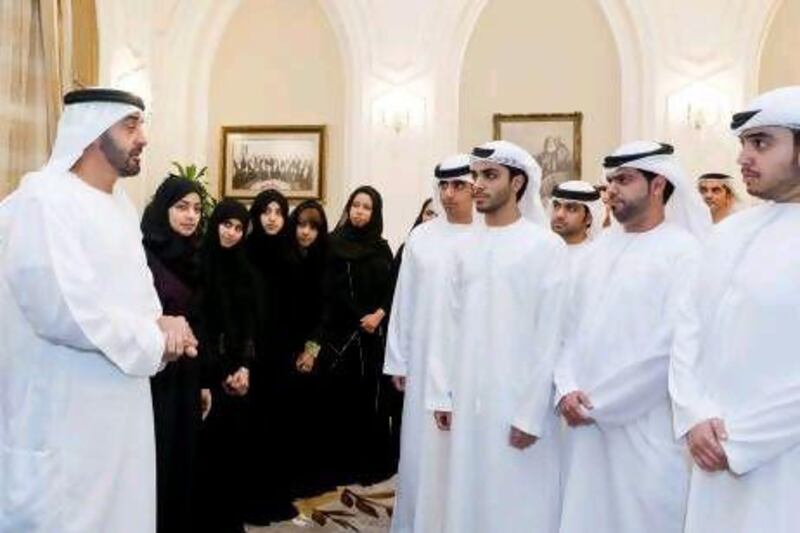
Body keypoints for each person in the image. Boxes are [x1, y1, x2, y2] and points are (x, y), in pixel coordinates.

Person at [0, 88, 197, 532]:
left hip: (120, 419)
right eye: (131, 126)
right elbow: (63, 312)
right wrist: (154, 339)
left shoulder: (119, 207)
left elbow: (141, 297)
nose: (143, 137)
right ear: (90, 133)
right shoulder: (43, 199)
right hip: (65, 420)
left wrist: (165, 324)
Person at [555, 141, 710, 533]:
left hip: (645, 428)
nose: (611, 191)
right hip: (581, 424)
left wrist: (599, 405)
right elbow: (567, 330)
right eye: (610, 181)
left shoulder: (685, 253)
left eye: (624, 180)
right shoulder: (597, 251)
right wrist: (566, 388)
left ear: (658, 185)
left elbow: (672, 349)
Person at [671, 86, 800, 533]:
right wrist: (693, 416)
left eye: (761, 143)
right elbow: (688, 329)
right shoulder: (727, 233)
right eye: (744, 144)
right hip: (711, 449)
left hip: (782, 460)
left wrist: (742, 440)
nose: (744, 156)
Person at [432, 141, 568, 533]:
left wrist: (531, 411)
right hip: (469, 398)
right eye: (475, 175)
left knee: (520, 501)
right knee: (468, 496)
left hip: (520, 403)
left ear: (518, 183)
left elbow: (551, 335)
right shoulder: (464, 247)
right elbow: (451, 325)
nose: (477, 184)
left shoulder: (544, 247)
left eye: (490, 176)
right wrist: (444, 392)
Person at [384, 155, 476, 533]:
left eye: (459, 186)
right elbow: (403, 301)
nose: (449, 194)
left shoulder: (489, 237)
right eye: (444, 186)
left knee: (465, 457)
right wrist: (398, 361)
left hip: (471, 365)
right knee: (424, 454)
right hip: (423, 362)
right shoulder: (422, 237)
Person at [314, 185, 396, 486]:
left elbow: (392, 288)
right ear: (348, 208)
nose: (360, 211)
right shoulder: (332, 244)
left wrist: (379, 314)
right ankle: (338, 466)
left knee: (368, 399)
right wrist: (355, 316)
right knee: (338, 400)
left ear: (375, 213)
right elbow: (326, 291)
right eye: (356, 205)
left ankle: (367, 464)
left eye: (367, 207)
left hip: (372, 335)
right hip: (340, 335)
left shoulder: (382, 247)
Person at [141, 175, 205, 533]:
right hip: (153, 372)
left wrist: (204, 382)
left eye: (196, 209)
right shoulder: (142, 254)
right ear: (163, 208)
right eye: (181, 207)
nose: (190, 215)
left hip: (187, 372)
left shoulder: (196, 256)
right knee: (156, 457)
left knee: (183, 455)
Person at [194, 199, 256, 533]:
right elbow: (198, 323)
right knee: (204, 454)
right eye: (226, 224)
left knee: (231, 452)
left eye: (237, 228)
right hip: (203, 372)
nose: (231, 233)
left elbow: (248, 323)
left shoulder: (244, 268)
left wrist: (244, 366)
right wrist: (214, 372)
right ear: (214, 222)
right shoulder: (196, 262)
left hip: (236, 372)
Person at [243, 189, 298, 524]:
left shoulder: (293, 254)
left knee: (279, 426)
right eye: (266, 210)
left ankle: (276, 496)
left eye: (279, 211)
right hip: (251, 353)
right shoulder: (245, 252)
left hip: (282, 355)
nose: (272, 217)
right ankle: (250, 499)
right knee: (251, 427)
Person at [283, 199, 333, 497]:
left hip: (312, 346)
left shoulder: (326, 259)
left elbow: (326, 310)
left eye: (313, 227)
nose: (305, 232)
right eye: (301, 225)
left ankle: (307, 479)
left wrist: (311, 350)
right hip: (282, 344)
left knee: (309, 415)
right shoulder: (285, 256)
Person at [549, 180, 604, 269]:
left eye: (571, 209)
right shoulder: (541, 250)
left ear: (589, 218)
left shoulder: (598, 259)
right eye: (556, 206)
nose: (559, 215)